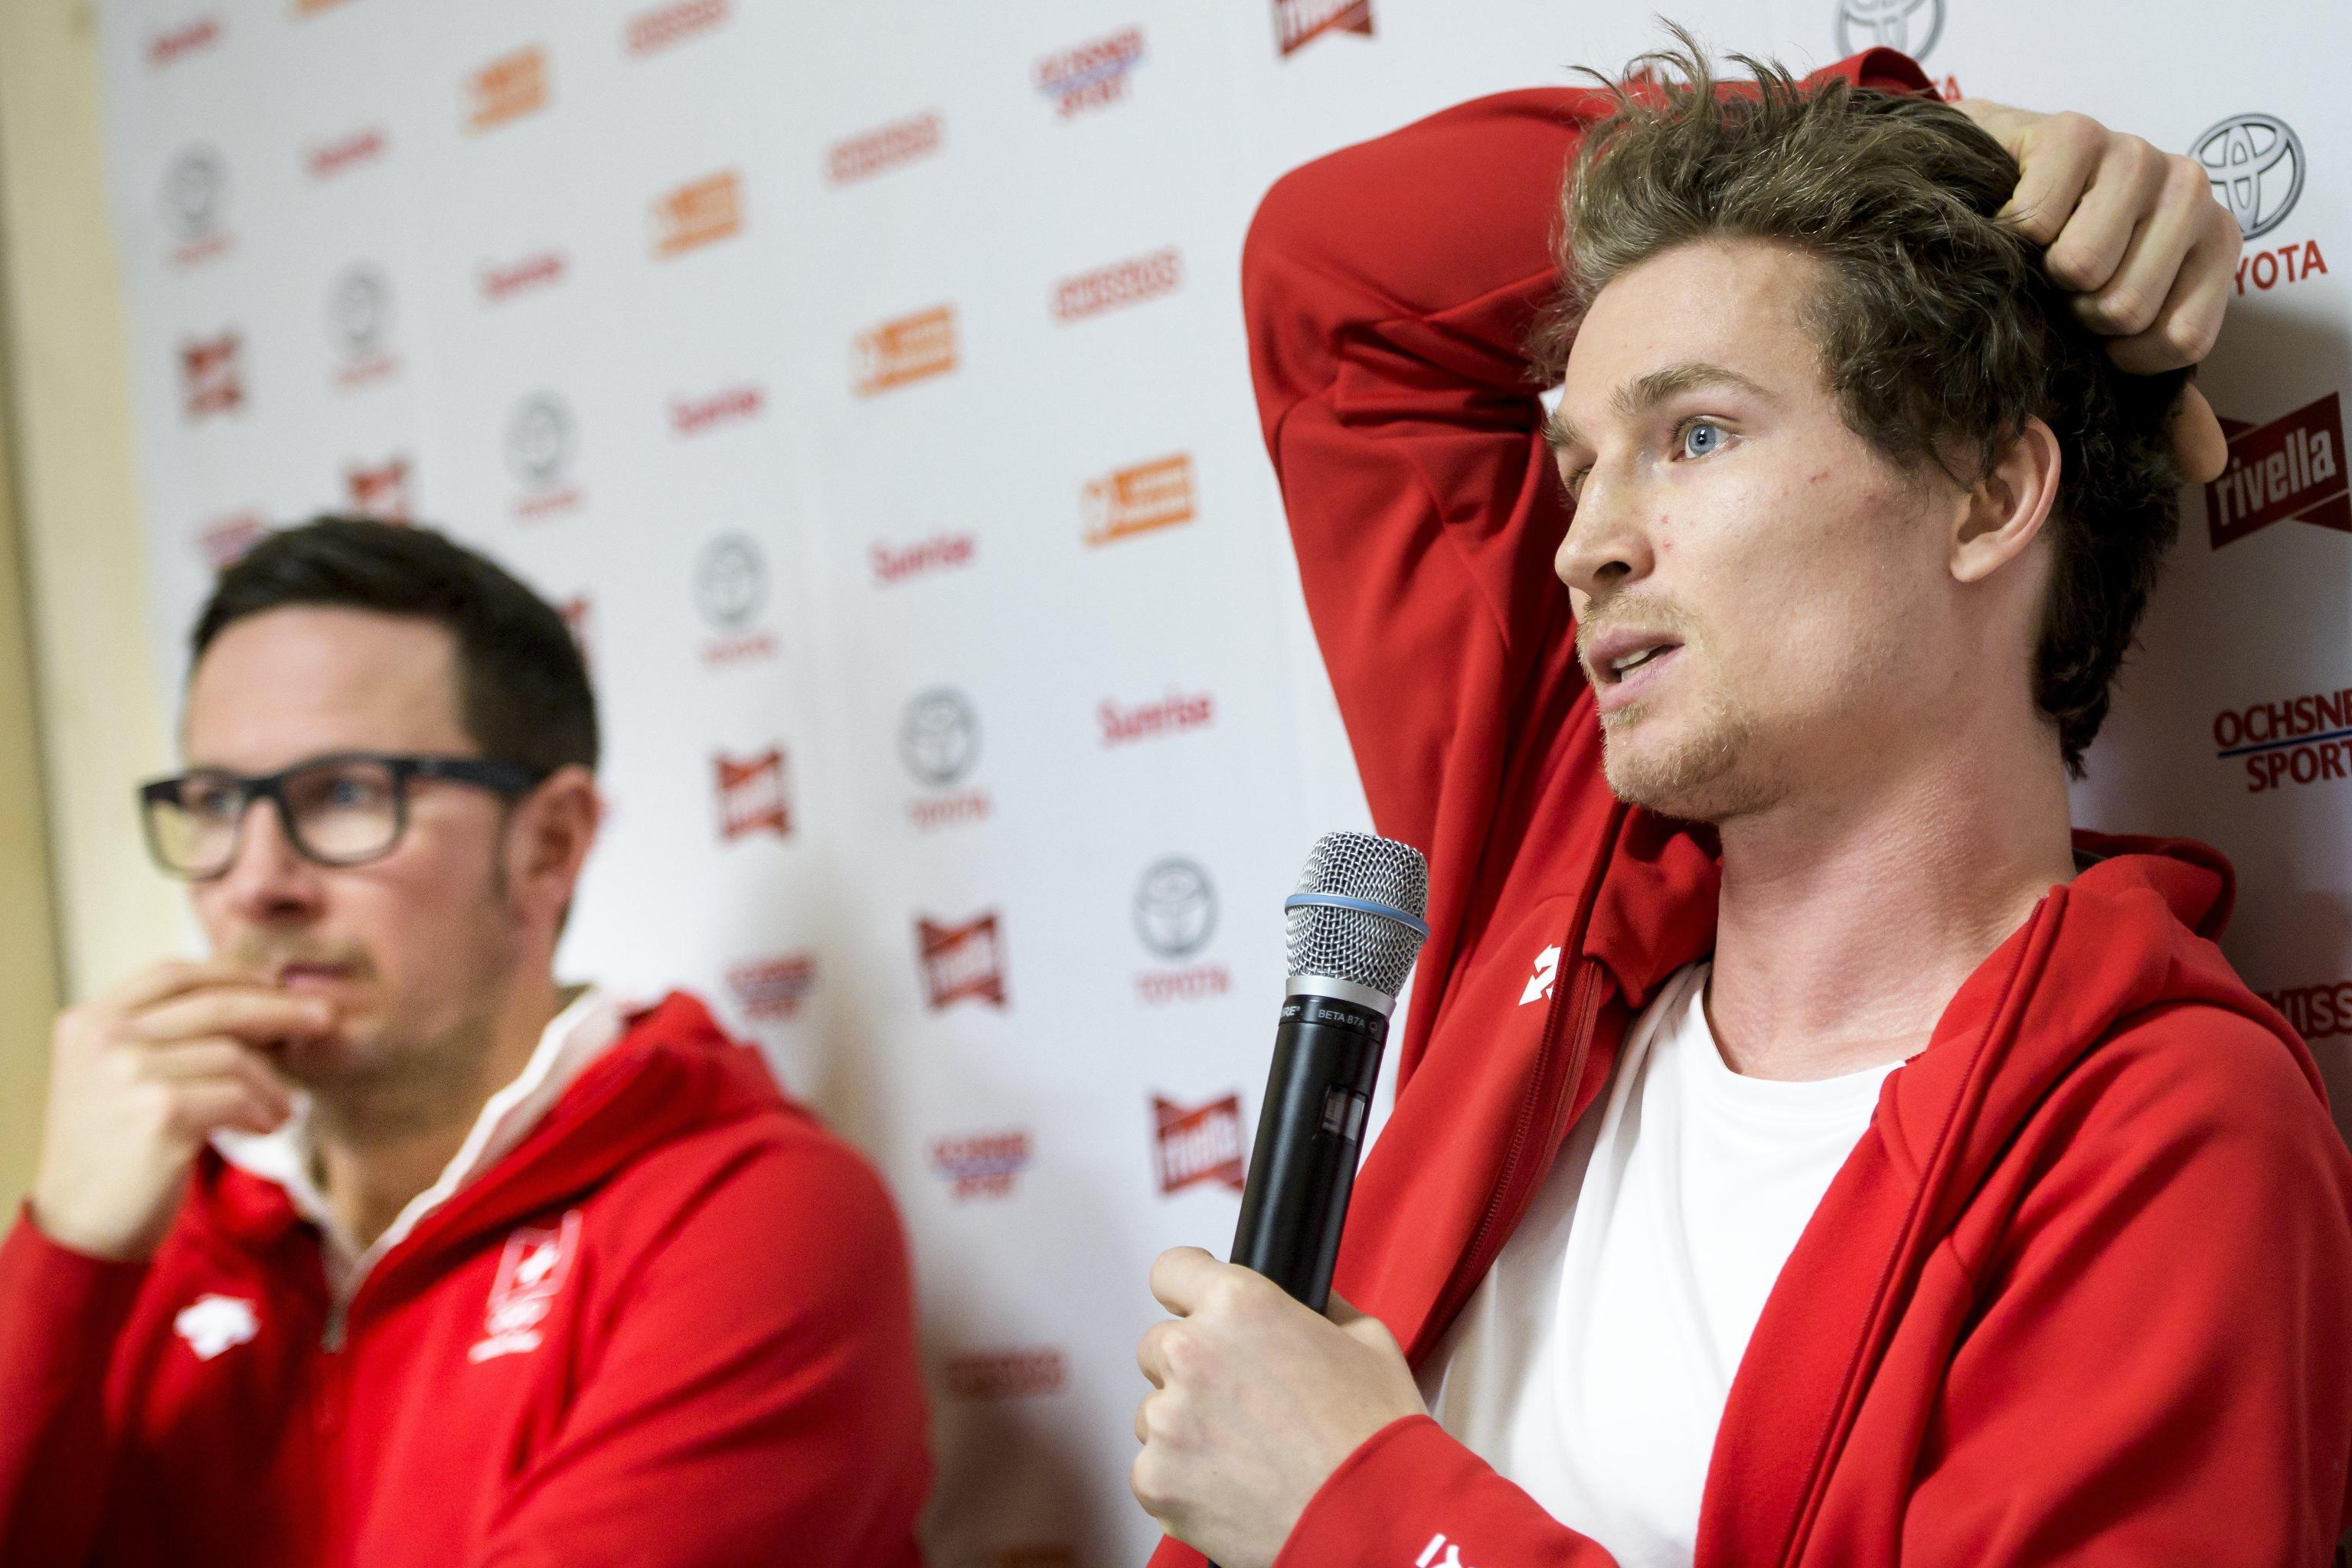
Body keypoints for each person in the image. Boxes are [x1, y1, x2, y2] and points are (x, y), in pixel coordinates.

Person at [1131, 40, 2352, 1568]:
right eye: (1579, 468)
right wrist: (1922, 132)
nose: (1586, 545)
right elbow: (1334, 277)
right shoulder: (1559, 843)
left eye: (1692, 435)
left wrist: (1360, 1512)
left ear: (1986, 494)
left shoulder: (2165, 1141)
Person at [0, 518, 929, 1566]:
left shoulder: (755, 1220)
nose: (257, 880)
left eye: (346, 795)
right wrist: (66, 1257)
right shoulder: (149, 1234)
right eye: (217, 804)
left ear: (550, 845)